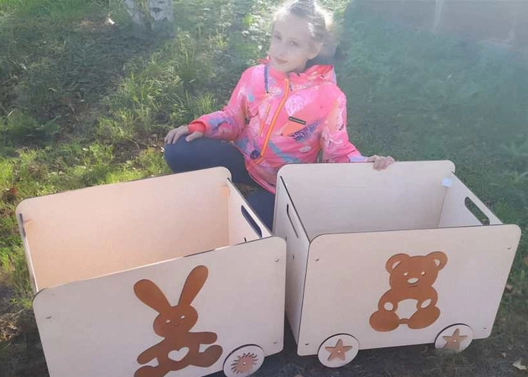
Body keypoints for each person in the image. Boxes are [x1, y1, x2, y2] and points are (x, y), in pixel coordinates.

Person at [163, 0, 394, 229]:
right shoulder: (254, 77)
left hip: (282, 184)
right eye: (277, 37)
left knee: (242, 221)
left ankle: (260, 204)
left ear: (313, 49)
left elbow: (337, 151)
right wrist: (200, 126)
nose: (280, 50)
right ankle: (232, 188)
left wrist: (365, 163)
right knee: (178, 147)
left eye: (294, 43)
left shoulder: (329, 97)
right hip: (244, 161)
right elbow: (232, 118)